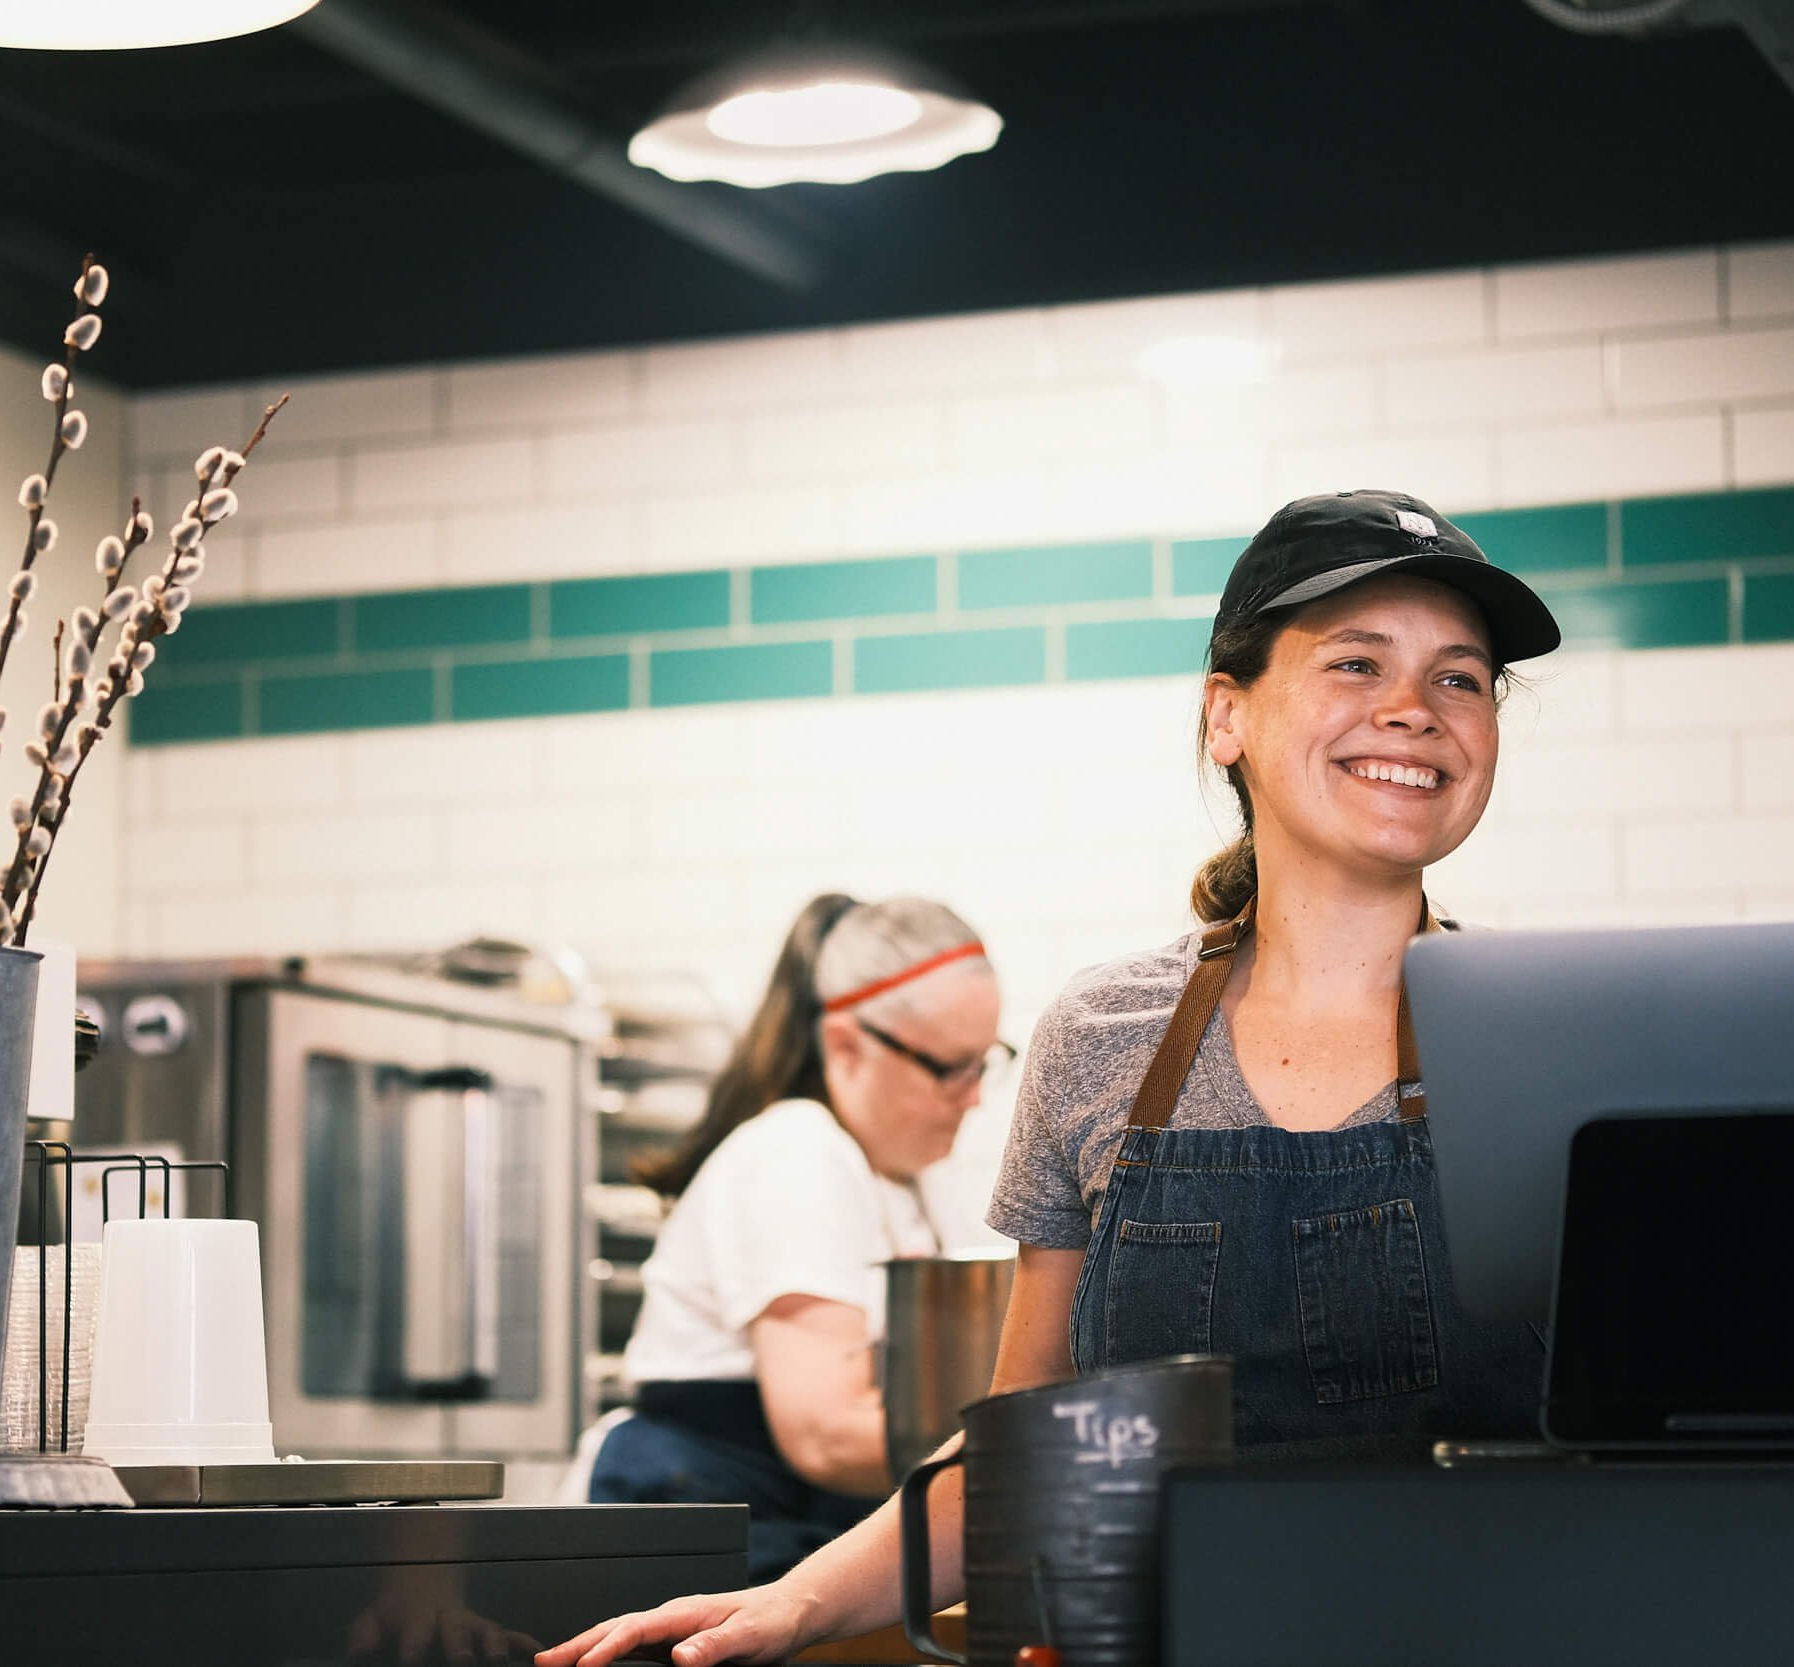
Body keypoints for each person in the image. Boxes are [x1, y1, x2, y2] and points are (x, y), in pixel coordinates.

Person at [539, 488, 1567, 1667]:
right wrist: (793, 1601)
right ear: (1224, 714)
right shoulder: (1104, 1034)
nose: (1412, 710)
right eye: (1354, 661)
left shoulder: (1542, 1032)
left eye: (1460, 678)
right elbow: (1025, 1447)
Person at [587, 893, 1003, 1583]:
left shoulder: (905, 1177)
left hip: (798, 1525)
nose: (975, 1094)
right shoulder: (797, 1153)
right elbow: (829, 1433)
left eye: (984, 1062)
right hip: (708, 1524)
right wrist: (1036, 1457)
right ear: (845, 1044)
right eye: (948, 1067)